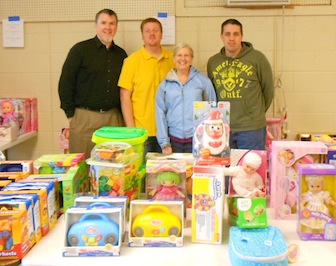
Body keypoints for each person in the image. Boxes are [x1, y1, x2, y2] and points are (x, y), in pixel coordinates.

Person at [58, 9, 127, 159]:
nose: (107, 27)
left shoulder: (121, 55)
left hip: (113, 118)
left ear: (116, 27)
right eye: (103, 23)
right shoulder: (80, 50)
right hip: (84, 118)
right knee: (82, 167)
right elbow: (65, 83)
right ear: (95, 25)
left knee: (113, 166)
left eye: (112, 23)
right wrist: (71, 115)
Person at [207, 18, 274, 150]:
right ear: (221, 37)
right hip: (222, 127)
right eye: (227, 34)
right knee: (226, 170)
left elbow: (268, 91)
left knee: (251, 169)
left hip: (251, 129)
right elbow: (212, 93)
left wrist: (253, 113)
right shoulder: (213, 62)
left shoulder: (257, 58)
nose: (232, 38)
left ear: (241, 36)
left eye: (236, 34)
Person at [118, 17, 175, 154]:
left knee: (168, 173)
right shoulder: (131, 61)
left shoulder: (173, 60)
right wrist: (132, 131)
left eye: (155, 30)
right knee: (142, 173)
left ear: (161, 34)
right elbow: (124, 97)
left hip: (170, 131)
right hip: (142, 132)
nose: (152, 34)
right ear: (142, 35)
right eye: (147, 31)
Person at [155, 43, 217, 154]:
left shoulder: (203, 82)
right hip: (173, 141)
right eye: (179, 55)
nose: (183, 59)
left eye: (187, 55)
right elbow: (160, 114)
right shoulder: (164, 85)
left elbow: (213, 111)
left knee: (195, 171)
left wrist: (209, 140)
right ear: (174, 58)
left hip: (199, 140)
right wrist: (165, 143)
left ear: (191, 59)